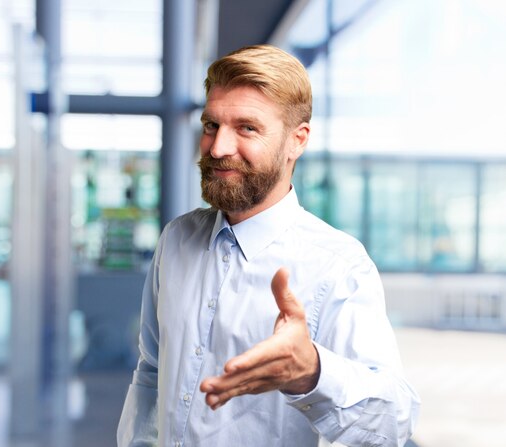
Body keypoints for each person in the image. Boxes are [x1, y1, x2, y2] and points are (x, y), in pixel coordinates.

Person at [117, 44, 420, 447]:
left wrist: (312, 372)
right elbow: (153, 373)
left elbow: (394, 424)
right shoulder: (176, 239)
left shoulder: (337, 266)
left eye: (247, 128)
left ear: (297, 141)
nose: (219, 147)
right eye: (211, 125)